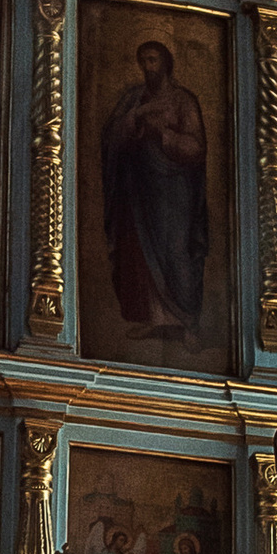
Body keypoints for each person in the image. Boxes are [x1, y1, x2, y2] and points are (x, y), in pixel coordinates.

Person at [101, 38, 209, 342]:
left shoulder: (182, 101)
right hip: (139, 188)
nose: (148, 67)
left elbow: (196, 148)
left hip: (174, 190)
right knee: (139, 251)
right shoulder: (134, 99)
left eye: (153, 60)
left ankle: (188, 320)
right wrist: (134, 120)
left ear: (166, 64)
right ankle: (155, 317)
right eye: (144, 61)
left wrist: (162, 134)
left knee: (176, 251)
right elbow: (112, 137)